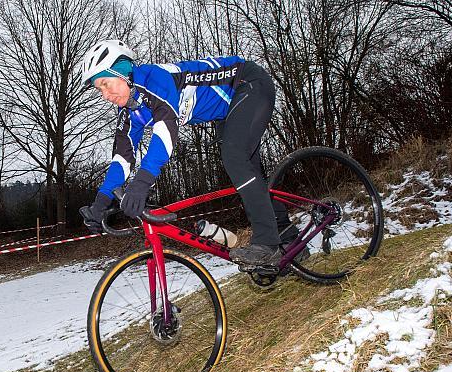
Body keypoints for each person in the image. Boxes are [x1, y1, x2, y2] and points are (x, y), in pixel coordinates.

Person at [79, 40, 299, 269]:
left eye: (106, 83)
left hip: (249, 82)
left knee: (234, 157)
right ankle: (288, 236)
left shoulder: (155, 79)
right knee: (249, 173)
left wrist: (142, 182)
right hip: (228, 111)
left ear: (123, 72)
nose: (105, 95)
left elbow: (165, 133)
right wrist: (101, 202)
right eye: (99, 90)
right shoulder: (131, 111)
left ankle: (267, 244)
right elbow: (122, 158)